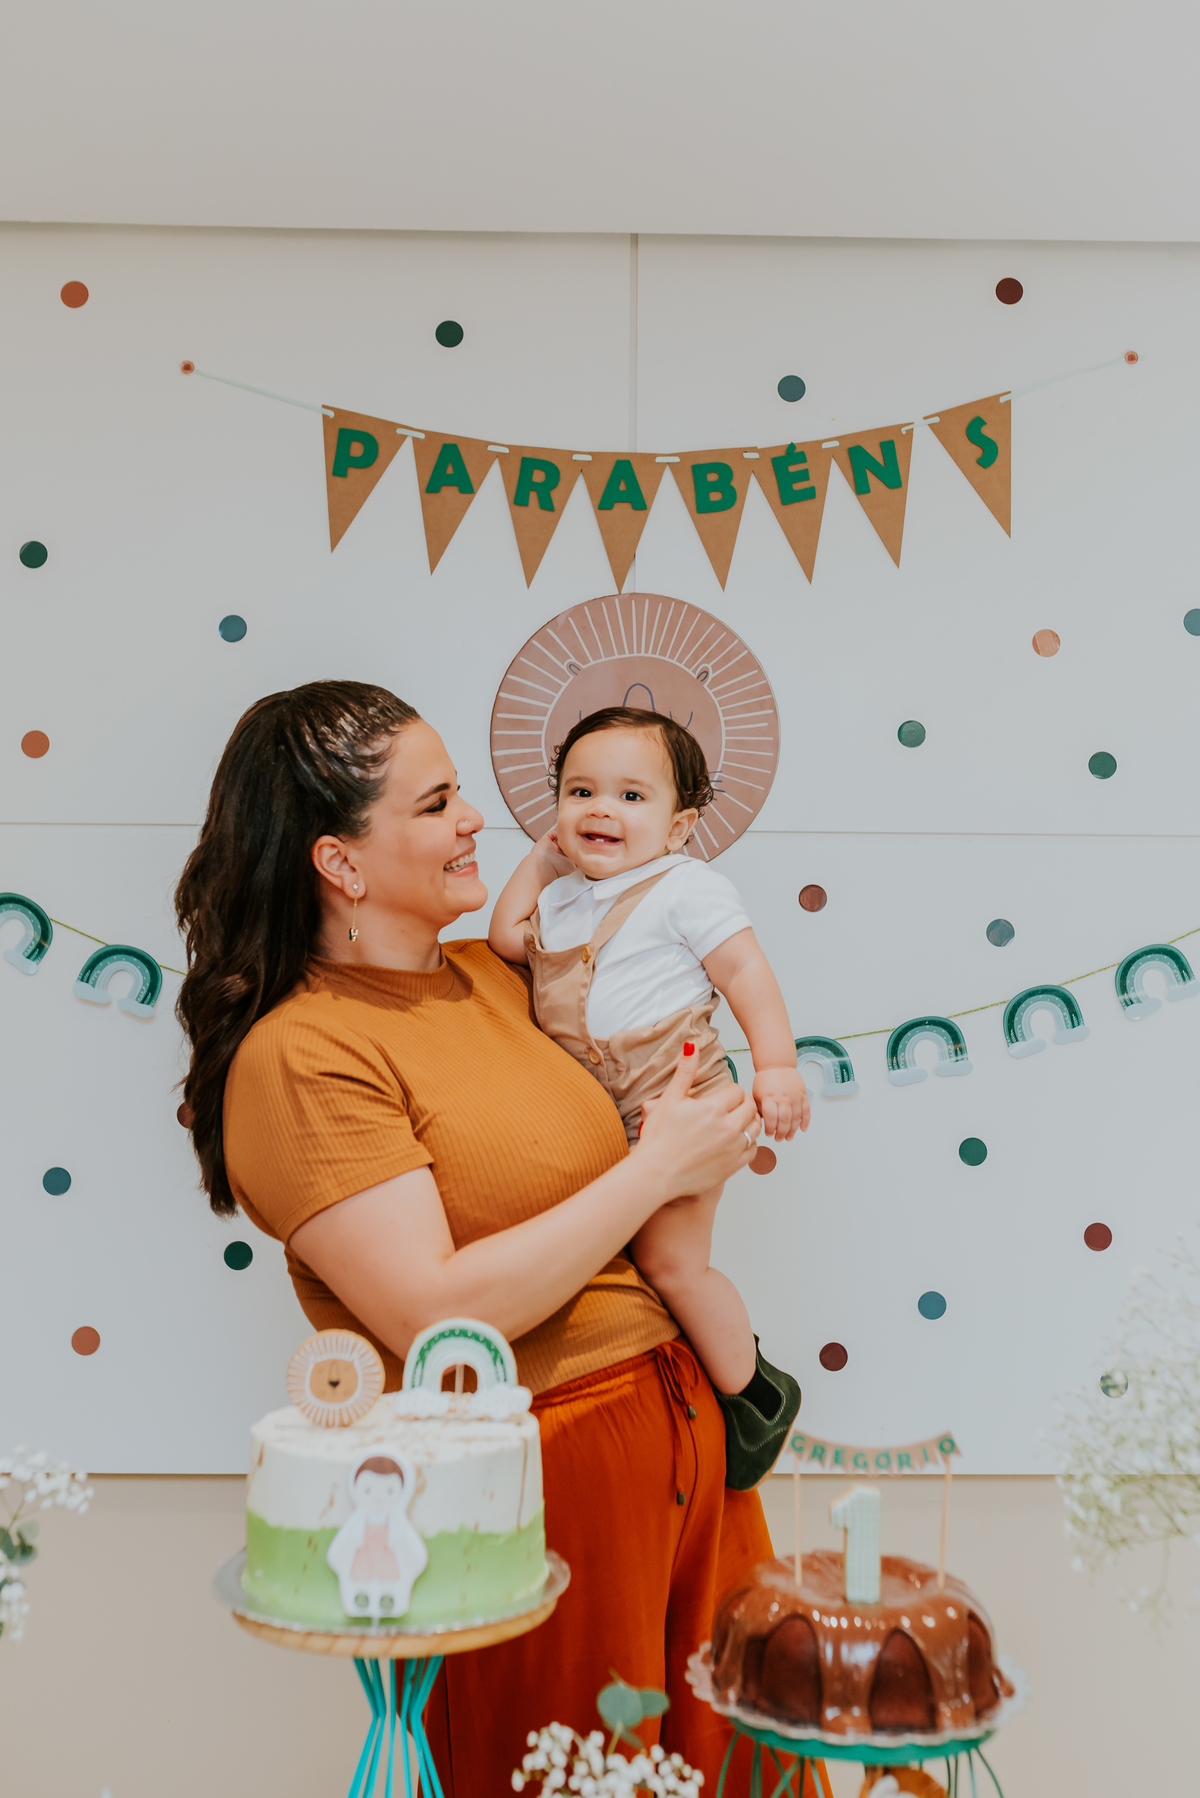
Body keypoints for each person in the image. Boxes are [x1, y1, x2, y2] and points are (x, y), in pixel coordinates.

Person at [173, 681, 815, 1797]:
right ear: (342, 862)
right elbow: (432, 1315)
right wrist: (656, 1167)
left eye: (462, 792)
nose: (478, 818)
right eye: (436, 803)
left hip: (679, 1432)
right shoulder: (303, 1054)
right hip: (534, 1476)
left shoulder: (498, 977)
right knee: (575, 1773)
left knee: (745, 1766)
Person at [488, 707, 806, 1487]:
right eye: (580, 790)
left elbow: (745, 976)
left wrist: (777, 1067)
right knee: (610, 1268)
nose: (601, 808)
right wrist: (537, 864)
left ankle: (753, 1400)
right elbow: (503, 941)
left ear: (677, 827)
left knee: (672, 1266)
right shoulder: (561, 899)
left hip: (683, 1101)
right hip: (599, 1114)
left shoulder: (686, 887)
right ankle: (678, 1395)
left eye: (632, 796)